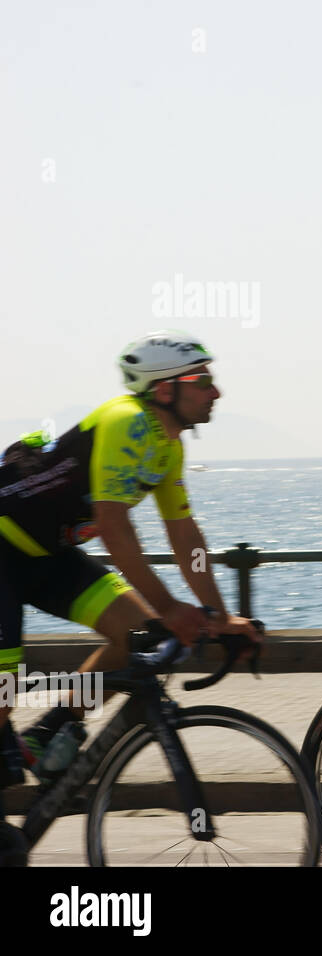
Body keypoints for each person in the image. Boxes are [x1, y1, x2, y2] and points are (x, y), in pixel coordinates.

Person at [0, 332, 260, 855]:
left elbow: (184, 536)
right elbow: (114, 529)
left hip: (47, 555)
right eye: (202, 380)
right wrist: (170, 607)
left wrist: (218, 615)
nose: (215, 392)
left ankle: (49, 729)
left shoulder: (167, 445)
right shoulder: (125, 422)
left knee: (135, 634)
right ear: (164, 390)